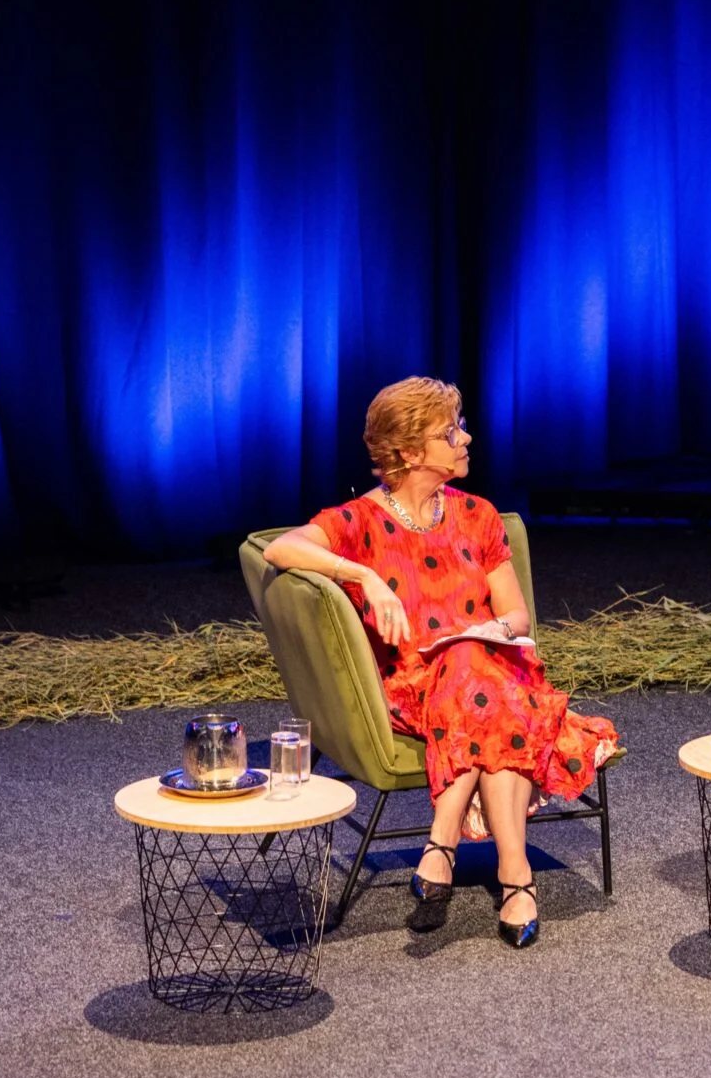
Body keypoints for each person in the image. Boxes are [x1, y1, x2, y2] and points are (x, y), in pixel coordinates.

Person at [263, 377, 618, 949]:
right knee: (476, 683)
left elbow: (518, 619)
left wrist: (482, 634)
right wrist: (365, 576)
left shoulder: (478, 516)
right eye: (450, 432)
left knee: (474, 665)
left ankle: (443, 846)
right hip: (416, 687)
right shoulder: (359, 521)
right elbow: (279, 548)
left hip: (495, 679)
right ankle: (514, 878)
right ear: (408, 452)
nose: (466, 438)